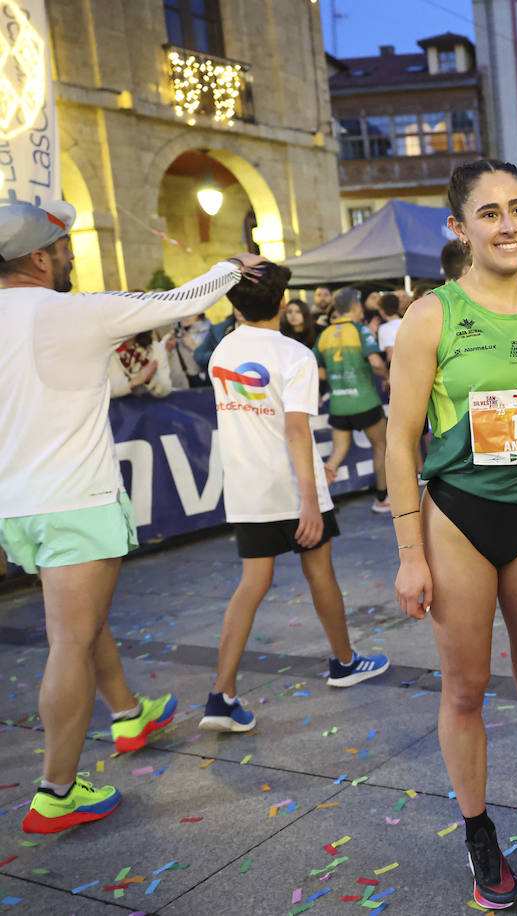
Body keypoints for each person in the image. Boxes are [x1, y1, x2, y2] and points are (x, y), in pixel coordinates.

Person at [0, 199, 267, 833]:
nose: (71, 256)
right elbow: (177, 303)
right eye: (64, 247)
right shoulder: (69, 310)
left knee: (80, 622)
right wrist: (232, 265)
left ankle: (128, 712)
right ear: (39, 258)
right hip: (75, 500)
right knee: (71, 638)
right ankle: (56, 792)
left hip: (20, 506)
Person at [387, 160, 517, 910]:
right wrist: (410, 554)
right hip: (459, 521)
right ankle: (478, 833)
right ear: (460, 228)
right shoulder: (432, 315)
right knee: (465, 689)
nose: (509, 226)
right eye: (490, 214)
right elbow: (399, 441)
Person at [200, 263, 390, 733]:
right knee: (319, 571)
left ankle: (220, 694)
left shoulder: (221, 351)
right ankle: (344, 663)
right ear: (284, 305)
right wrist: (310, 495)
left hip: (247, 490)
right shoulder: (293, 355)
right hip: (292, 487)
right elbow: (294, 429)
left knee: (252, 584)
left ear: (235, 304)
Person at [316, 287, 390, 511]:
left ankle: (320, 499)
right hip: (364, 401)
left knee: (337, 454)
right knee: (382, 447)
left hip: (339, 404)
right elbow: (376, 362)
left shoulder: (325, 334)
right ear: (356, 307)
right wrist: (388, 377)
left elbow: (319, 372)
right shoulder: (360, 329)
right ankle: (382, 498)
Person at [376, 292, 402, 364]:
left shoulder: (384, 328)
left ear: (382, 311)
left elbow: (391, 356)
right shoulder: (407, 322)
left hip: (398, 369)